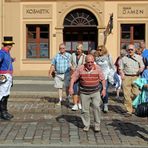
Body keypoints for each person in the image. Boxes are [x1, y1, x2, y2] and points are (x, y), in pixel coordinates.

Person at [69, 54, 106, 132]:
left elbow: (102, 79)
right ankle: (86, 125)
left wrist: (104, 89)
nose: (90, 64)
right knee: (85, 110)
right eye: (88, 62)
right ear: (85, 62)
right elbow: (73, 78)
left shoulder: (98, 68)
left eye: (92, 62)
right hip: (84, 93)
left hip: (95, 92)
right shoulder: (80, 68)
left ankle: (97, 125)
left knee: (96, 108)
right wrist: (71, 87)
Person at [119, 44, 145, 117]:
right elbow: (121, 68)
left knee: (136, 93)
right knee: (126, 95)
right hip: (126, 77)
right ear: (127, 50)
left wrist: (140, 69)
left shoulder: (139, 57)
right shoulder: (123, 58)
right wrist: (122, 74)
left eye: (131, 49)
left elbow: (142, 66)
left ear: (134, 50)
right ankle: (129, 111)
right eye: (129, 49)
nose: (130, 51)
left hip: (136, 77)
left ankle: (134, 107)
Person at [95, 45, 116, 113]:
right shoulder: (96, 57)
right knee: (99, 91)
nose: (99, 51)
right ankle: (101, 103)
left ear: (104, 50)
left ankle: (105, 104)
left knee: (104, 91)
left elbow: (112, 66)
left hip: (106, 77)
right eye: (98, 50)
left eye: (100, 50)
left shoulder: (108, 56)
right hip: (97, 77)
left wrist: (112, 75)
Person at [0, 36, 15, 120]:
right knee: (2, 94)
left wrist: (11, 60)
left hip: (8, 75)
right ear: (8, 45)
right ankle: (2, 113)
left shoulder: (7, 53)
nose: (12, 46)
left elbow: (6, 61)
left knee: (6, 94)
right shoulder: (2, 53)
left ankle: (4, 111)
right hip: (4, 76)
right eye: (11, 45)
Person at [70, 44, 86, 111]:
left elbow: (85, 65)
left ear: (82, 49)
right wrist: (71, 67)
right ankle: (75, 104)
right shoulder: (73, 55)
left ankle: (79, 103)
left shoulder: (84, 56)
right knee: (74, 89)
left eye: (79, 49)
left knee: (81, 90)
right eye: (77, 49)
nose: (77, 50)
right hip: (74, 74)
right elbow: (70, 62)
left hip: (81, 74)